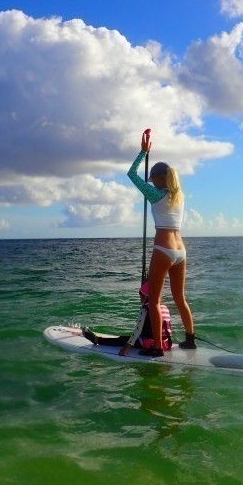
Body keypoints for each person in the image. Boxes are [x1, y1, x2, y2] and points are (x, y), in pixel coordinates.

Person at [124, 130, 196, 357]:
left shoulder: (155, 194)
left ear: (160, 178)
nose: (151, 182)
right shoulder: (179, 195)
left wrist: (142, 152)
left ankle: (157, 347)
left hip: (163, 249)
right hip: (180, 250)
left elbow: (131, 174)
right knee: (180, 298)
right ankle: (190, 340)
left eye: (153, 178)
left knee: (153, 300)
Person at [81, 294, 173, 353]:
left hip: (150, 344)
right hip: (166, 344)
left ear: (146, 297)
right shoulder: (164, 307)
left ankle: (97, 340)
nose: (140, 298)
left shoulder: (145, 309)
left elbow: (138, 330)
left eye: (141, 296)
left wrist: (127, 347)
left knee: (122, 339)